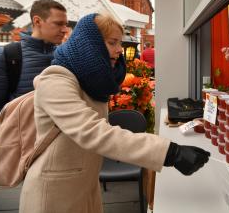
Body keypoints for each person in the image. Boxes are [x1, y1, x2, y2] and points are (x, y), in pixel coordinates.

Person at [19, 13, 210, 213]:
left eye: (120, 42)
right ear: (89, 44)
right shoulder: (55, 80)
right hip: (54, 195)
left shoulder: (90, 80)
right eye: (112, 43)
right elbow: (93, 131)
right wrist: (170, 152)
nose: (120, 50)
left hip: (84, 187)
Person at [0, 0, 68, 189]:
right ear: (37, 21)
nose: (65, 29)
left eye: (65, 24)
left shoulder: (64, 55)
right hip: (25, 151)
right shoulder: (4, 56)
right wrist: (20, 138)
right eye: (58, 24)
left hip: (63, 149)